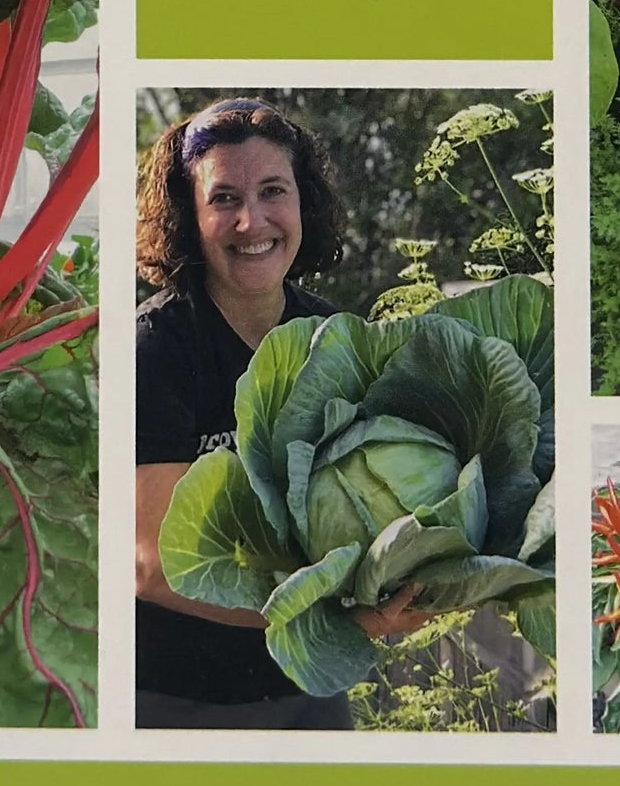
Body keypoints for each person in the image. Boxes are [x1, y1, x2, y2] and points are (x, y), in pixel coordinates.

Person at [134, 97, 427, 729]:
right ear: (189, 215)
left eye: (273, 191)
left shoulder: (332, 336)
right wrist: (337, 616)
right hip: (173, 701)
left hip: (307, 693)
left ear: (303, 204)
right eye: (224, 199)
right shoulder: (157, 348)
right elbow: (152, 564)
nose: (252, 220)